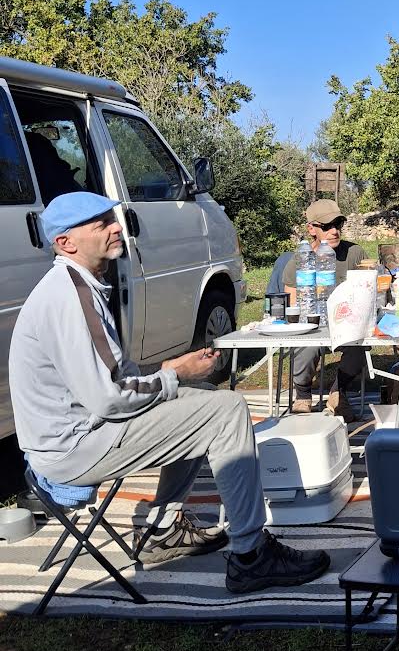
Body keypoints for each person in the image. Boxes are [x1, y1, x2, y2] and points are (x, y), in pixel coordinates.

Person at [10, 191, 332, 594]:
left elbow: (115, 377)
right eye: (101, 224)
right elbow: (110, 397)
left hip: (81, 431)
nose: (117, 228)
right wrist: (173, 373)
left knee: (203, 399)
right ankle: (251, 556)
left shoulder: (78, 285)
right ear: (66, 242)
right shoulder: (70, 296)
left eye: (112, 219)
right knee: (227, 410)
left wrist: (173, 372)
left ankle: (162, 531)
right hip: (75, 447)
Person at [266, 199, 366, 415]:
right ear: (311, 229)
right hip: (312, 322)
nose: (334, 231)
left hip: (347, 322)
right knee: (306, 342)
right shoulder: (299, 261)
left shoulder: (354, 253)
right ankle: (303, 393)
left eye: (338, 225)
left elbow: (367, 290)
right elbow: (293, 306)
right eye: (327, 226)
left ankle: (339, 392)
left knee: (360, 340)